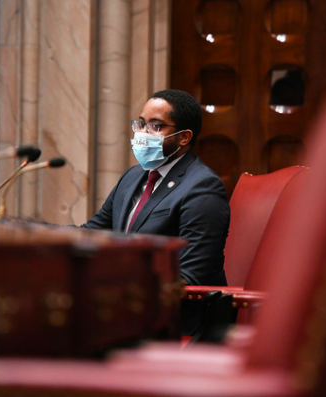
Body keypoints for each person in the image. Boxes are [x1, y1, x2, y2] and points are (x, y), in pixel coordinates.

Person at [82, 89, 230, 335]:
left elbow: (190, 276)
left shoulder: (203, 188)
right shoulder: (132, 177)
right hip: (131, 310)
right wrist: (27, 231)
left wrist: (115, 289)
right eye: (141, 123)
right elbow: (92, 234)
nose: (142, 133)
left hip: (177, 322)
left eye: (155, 126)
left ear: (184, 137)